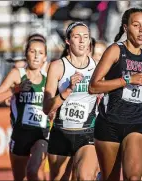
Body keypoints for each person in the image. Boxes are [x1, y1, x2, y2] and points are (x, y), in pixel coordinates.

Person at [89, 7, 142, 181]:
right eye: (136, 25)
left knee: (133, 177)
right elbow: (93, 86)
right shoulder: (115, 50)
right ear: (125, 27)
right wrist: (127, 80)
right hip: (110, 123)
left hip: (137, 122)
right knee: (111, 178)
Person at [43, 22, 99, 181]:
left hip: (88, 132)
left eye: (86, 37)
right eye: (77, 36)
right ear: (68, 40)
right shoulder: (57, 67)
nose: (82, 41)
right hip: (61, 132)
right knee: (59, 178)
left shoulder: (97, 66)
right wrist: (68, 89)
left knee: (85, 176)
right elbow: (47, 108)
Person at [0, 39, 50, 181]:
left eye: (40, 53)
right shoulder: (17, 74)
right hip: (19, 135)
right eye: (32, 52)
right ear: (26, 55)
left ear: (45, 58)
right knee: (20, 178)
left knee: (33, 171)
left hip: (41, 134)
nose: (36, 56)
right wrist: (15, 89)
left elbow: (57, 102)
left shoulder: (49, 78)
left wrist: (53, 109)